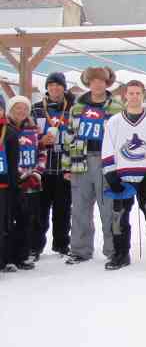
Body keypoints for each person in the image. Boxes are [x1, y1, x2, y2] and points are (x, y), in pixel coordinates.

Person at [101, 80, 146, 275]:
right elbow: (107, 147)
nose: (134, 96)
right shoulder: (114, 121)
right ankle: (121, 254)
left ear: (143, 95)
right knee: (118, 218)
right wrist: (111, 173)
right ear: (125, 95)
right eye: (130, 93)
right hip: (122, 178)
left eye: (137, 93)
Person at [63, 67, 124, 265]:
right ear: (88, 83)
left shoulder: (116, 107)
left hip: (107, 162)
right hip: (81, 160)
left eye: (101, 81)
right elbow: (69, 136)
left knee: (108, 208)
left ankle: (114, 250)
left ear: (107, 83)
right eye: (93, 80)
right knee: (80, 208)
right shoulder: (77, 107)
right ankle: (80, 250)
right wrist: (67, 166)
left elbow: (122, 138)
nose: (97, 84)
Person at [32, 72, 75, 258]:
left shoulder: (72, 109)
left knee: (63, 210)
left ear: (64, 87)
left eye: (58, 85)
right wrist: (41, 140)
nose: (55, 88)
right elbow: (27, 136)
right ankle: (35, 246)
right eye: (51, 85)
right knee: (39, 210)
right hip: (42, 168)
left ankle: (62, 245)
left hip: (64, 168)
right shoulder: (35, 110)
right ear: (47, 88)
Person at [6, 96, 46, 270]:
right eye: (17, 108)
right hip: (10, 183)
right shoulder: (4, 129)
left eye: (24, 108)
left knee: (27, 219)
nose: (21, 112)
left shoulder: (34, 129)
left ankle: (23, 255)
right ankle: (8, 257)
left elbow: (42, 154)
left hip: (30, 182)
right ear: (10, 109)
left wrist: (37, 173)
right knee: (8, 220)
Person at [0, 96, 20, 273]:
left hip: (4, 187)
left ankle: (4, 259)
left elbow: (14, 163)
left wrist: (13, 185)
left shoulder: (10, 132)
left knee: (4, 223)